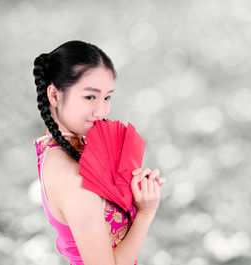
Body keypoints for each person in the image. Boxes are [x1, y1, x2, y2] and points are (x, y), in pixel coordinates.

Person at [32, 40, 166, 265]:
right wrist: (145, 213)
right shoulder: (73, 179)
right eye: (90, 97)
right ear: (54, 96)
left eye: (107, 97)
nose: (102, 111)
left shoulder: (57, 149)